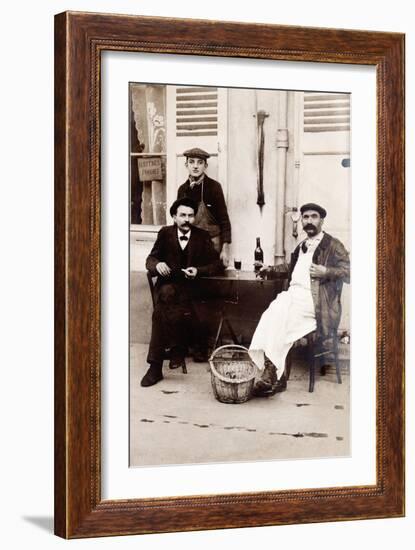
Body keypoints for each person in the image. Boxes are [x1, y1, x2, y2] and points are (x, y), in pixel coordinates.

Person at [249, 203, 350, 396]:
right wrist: (268, 270)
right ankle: (275, 375)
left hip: (317, 303)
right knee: (272, 314)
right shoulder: (302, 245)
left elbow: (350, 272)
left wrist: (326, 271)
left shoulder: (333, 245)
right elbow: (290, 267)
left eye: (314, 217)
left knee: (282, 320)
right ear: (301, 220)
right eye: (306, 217)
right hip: (293, 296)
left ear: (322, 220)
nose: (309, 221)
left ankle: (275, 377)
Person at [141, 197, 223, 387]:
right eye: (183, 215)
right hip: (168, 288)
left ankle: (171, 352)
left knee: (164, 310)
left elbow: (216, 264)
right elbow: (150, 259)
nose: (187, 219)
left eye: (191, 215)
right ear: (174, 217)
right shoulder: (165, 233)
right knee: (165, 301)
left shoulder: (202, 236)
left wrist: (198, 271)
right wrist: (158, 264)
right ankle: (157, 365)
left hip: (192, 291)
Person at [177, 147, 231, 267]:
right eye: (191, 162)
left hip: (212, 244)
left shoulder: (214, 187)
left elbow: (224, 220)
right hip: (191, 244)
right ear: (186, 165)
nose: (195, 166)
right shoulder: (182, 190)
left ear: (205, 166)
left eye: (200, 162)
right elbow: (178, 222)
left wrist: (225, 248)